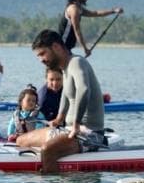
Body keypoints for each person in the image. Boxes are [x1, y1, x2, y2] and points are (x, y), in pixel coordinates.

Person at [24, 29, 107, 173]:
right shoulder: (64, 68)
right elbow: (66, 95)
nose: (41, 59)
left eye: (43, 54)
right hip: (67, 130)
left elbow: (84, 90)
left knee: (47, 151)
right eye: (38, 56)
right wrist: (59, 118)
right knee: (21, 141)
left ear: (56, 47)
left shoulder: (77, 62)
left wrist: (76, 124)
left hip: (88, 134)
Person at [58, 0, 123, 57]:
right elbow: (77, 30)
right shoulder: (73, 9)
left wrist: (114, 11)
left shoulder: (79, 8)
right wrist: (85, 49)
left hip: (67, 48)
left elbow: (96, 13)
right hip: (62, 47)